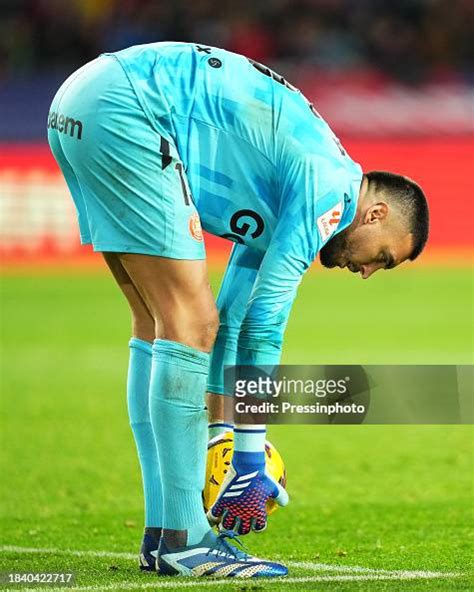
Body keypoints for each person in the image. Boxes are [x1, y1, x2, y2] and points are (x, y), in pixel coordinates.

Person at [47, 42, 429, 578]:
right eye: (383, 259)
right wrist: (249, 456)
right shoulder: (331, 191)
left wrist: (222, 435)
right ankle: (184, 539)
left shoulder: (296, 182)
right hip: (130, 109)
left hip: (83, 102)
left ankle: (165, 535)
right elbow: (264, 330)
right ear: (377, 213)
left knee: (162, 323)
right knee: (187, 321)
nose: (367, 272)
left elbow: (232, 322)